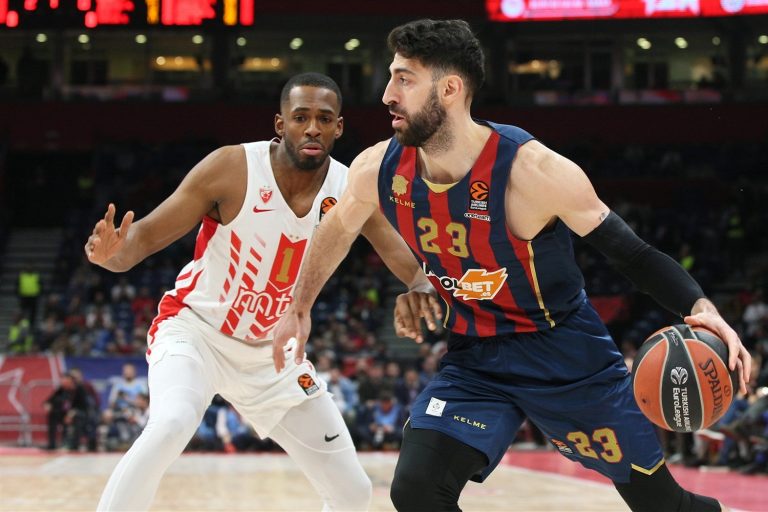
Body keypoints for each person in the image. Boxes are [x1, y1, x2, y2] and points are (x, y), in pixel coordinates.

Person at [272, 20, 752, 512]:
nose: (387, 95)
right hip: (476, 356)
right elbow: (338, 228)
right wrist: (299, 307)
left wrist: (701, 307)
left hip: (565, 353)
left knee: (664, 506)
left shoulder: (533, 172)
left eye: (404, 79)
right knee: (416, 490)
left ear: (449, 89)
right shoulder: (380, 167)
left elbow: (632, 253)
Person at [84, 72, 425, 511]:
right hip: (197, 332)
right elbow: (142, 240)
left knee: (353, 492)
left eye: (324, 119)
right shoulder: (232, 168)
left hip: (273, 353)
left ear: (339, 127)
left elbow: (400, 254)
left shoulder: (349, 188)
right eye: (300, 117)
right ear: (280, 124)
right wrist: (109, 256)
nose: (312, 128)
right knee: (171, 423)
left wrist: (420, 284)